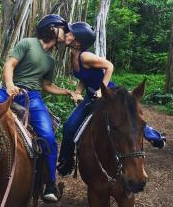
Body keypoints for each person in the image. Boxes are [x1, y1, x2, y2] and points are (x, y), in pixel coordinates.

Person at [0, 14, 79, 202]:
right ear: (52, 28)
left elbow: (47, 85)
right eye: (64, 29)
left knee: (48, 137)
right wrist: (10, 85)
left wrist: (69, 92)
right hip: (9, 92)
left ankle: (51, 184)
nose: (67, 33)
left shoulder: (50, 60)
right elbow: (9, 64)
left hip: (34, 98)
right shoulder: (27, 43)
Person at [57, 22, 166, 177]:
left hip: (109, 94)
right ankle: (66, 161)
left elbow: (109, 66)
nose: (66, 34)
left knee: (127, 121)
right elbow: (84, 78)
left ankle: (155, 137)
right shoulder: (73, 55)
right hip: (91, 96)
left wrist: (103, 90)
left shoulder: (86, 56)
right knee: (69, 126)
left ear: (78, 41)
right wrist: (77, 91)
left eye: (71, 33)